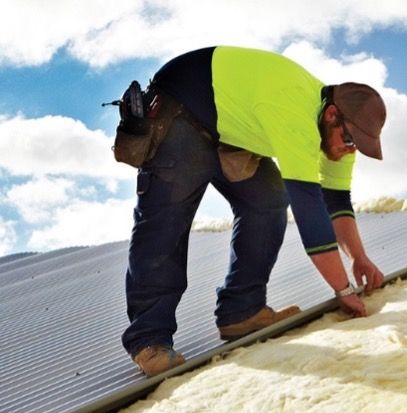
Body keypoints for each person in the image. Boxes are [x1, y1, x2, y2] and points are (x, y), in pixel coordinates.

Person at [122, 46, 386, 376]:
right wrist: (343, 290)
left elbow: (335, 203)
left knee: (267, 200)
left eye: (357, 145)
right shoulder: (296, 115)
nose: (350, 150)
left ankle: (241, 311)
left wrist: (359, 258)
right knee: (166, 221)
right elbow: (311, 215)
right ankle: (150, 340)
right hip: (182, 110)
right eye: (350, 140)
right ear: (332, 115)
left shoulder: (339, 135)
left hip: (228, 127)